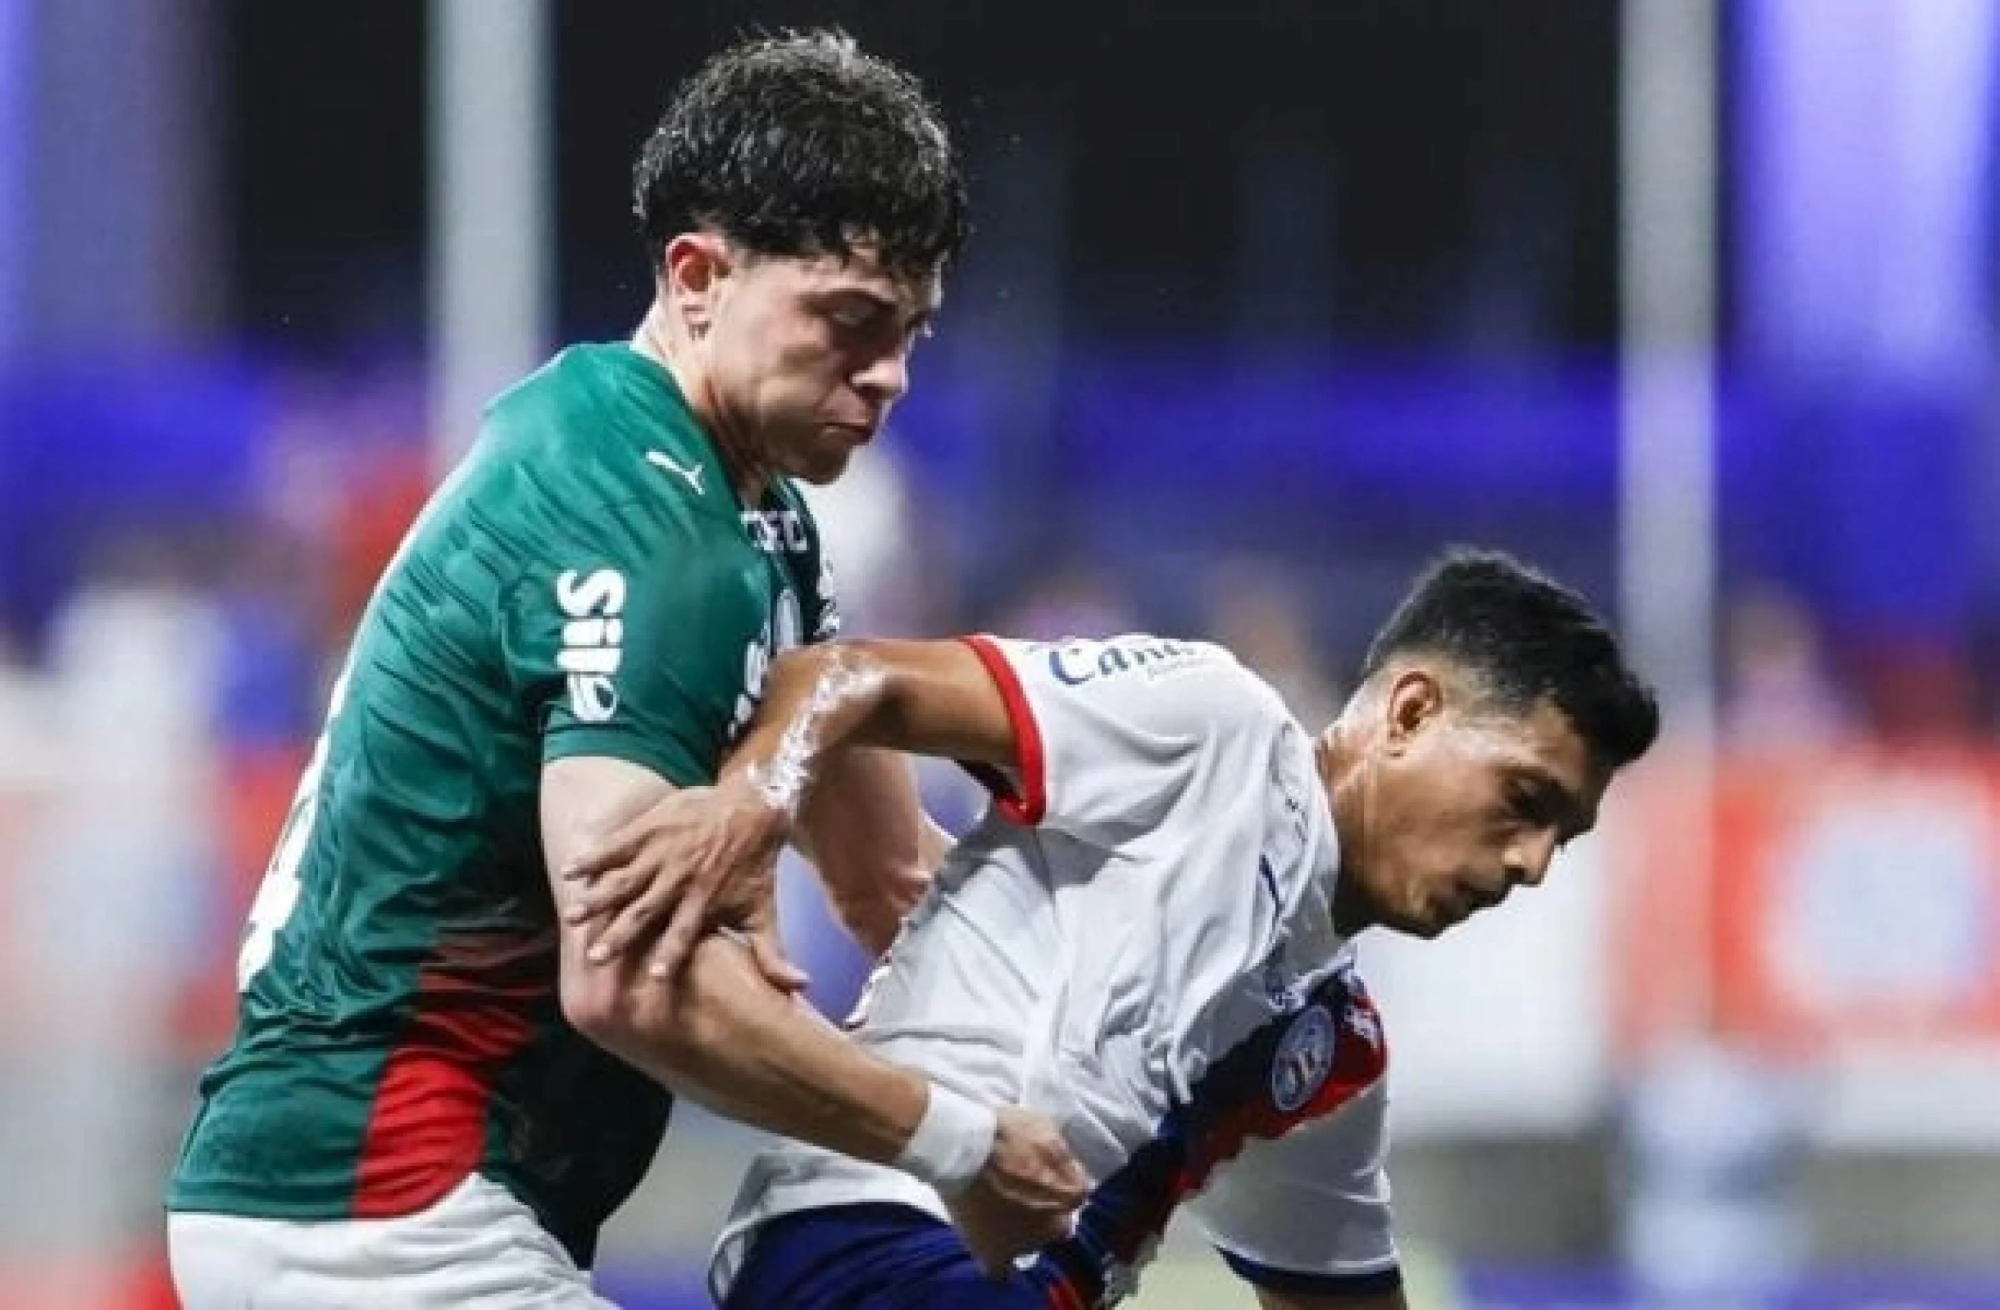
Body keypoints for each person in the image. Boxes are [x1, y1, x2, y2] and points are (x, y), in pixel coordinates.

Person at [166, 30, 1086, 1310]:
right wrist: (959, 1140)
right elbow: (627, 980)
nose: (886, 376)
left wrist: (1097, 1042)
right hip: (380, 1212)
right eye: (848, 322)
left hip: (383, 1201)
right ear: (698, 277)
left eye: (911, 332)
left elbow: (889, 887)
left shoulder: (753, 519)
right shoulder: (645, 529)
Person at [568, 548, 1660, 1308]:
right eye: (1523, 799)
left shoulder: (1329, 1050)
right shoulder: (1218, 727)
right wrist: (754, 808)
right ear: (1407, 712)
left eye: (1561, 834)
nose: (1529, 862)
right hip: (866, 1239)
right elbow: (846, 677)